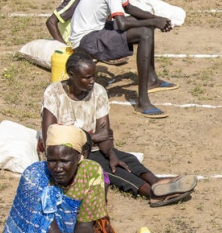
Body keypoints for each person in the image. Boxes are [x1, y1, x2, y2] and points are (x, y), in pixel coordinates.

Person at [42, 51, 199, 207]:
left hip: (92, 148)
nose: (92, 81)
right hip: (67, 154)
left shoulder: (98, 92)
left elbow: (105, 134)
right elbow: (52, 137)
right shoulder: (54, 94)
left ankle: (156, 182)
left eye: (94, 76)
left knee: (126, 159)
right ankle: (152, 193)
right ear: (71, 75)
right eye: (87, 77)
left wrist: (111, 154)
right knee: (108, 169)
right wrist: (92, 137)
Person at [67, 0, 177, 119]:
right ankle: (142, 101)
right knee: (144, 32)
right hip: (86, 41)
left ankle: (151, 79)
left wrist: (157, 18)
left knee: (146, 26)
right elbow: (121, 23)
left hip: (94, 32)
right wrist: (153, 22)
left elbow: (129, 8)